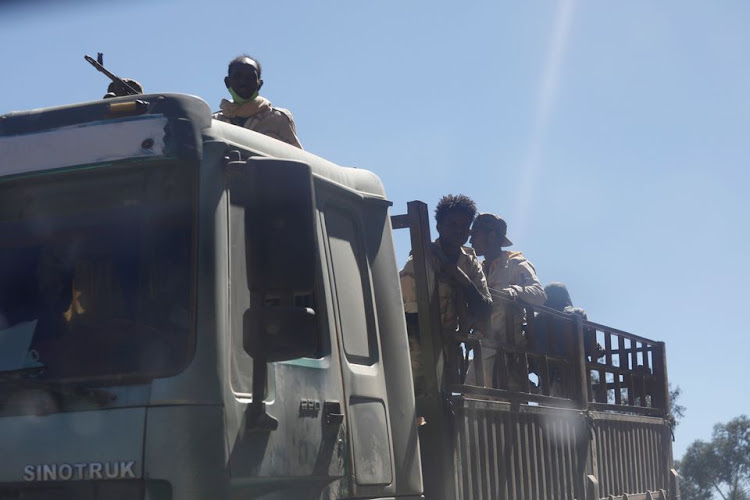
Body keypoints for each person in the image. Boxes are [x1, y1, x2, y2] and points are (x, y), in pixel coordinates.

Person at [400, 195, 492, 396]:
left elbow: (485, 307)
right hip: (416, 351)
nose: (459, 230)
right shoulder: (419, 261)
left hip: (450, 347)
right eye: (452, 224)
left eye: (464, 226)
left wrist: (457, 274)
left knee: (445, 409)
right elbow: (411, 317)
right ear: (439, 227)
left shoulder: (469, 262)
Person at [468, 213, 546, 388]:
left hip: (508, 349)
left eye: (475, 234)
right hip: (483, 344)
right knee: (474, 400)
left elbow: (539, 294)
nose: (471, 240)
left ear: (492, 236)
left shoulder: (515, 264)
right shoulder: (478, 269)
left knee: (502, 405)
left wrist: (513, 291)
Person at [213, 55, 302, 149]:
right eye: (237, 76)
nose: (243, 82)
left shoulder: (278, 118)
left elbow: (297, 158)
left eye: (250, 77)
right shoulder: (214, 121)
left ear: (259, 84)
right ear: (227, 82)